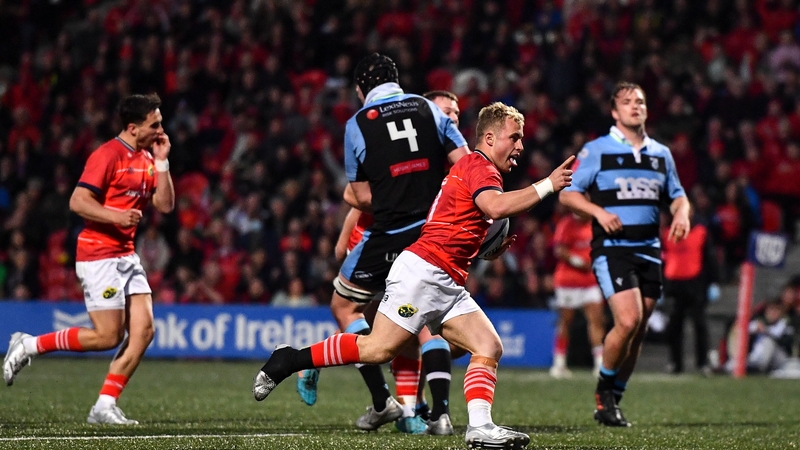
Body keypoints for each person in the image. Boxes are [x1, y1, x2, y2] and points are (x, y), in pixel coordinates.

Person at [253, 102, 574, 449]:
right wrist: (548, 184)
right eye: (515, 137)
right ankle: (290, 359)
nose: (520, 146)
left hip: (445, 278)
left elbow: (463, 224)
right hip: (424, 274)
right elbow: (494, 207)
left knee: (488, 345)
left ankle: (480, 427)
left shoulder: (473, 168)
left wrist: (486, 250)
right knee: (376, 349)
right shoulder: (480, 166)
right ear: (490, 138)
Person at [297, 54, 470, 435]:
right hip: (404, 235)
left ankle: (399, 405)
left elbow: (357, 192)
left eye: (457, 114)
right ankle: (416, 409)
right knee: (413, 327)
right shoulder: (426, 118)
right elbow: (355, 199)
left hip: (395, 234)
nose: (453, 117)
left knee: (403, 327)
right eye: (449, 112)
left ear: (361, 89)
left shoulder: (363, 124)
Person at [2, 93, 175, 424]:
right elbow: (78, 201)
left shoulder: (148, 158)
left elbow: (165, 205)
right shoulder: (107, 155)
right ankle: (29, 345)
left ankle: (104, 406)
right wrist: (116, 216)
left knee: (144, 331)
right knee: (108, 336)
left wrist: (163, 162)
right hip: (98, 255)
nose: (161, 130)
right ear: (133, 128)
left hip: (126, 255)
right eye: (155, 125)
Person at [560, 81, 690, 427]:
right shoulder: (596, 150)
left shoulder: (661, 153)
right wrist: (598, 213)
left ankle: (612, 400)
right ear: (614, 112)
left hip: (650, 250)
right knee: (628, 320)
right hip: (613, 249)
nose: (636, 106)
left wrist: (681, 213)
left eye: (641, 101)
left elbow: (678, 195)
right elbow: (568, 194)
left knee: (639, 329)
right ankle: (604, 391)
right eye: (628, 101)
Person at [662, 210, 719, 375]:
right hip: (674, 285)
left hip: (695, 284)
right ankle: (675, 363)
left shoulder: (701, 232)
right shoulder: (666, 233)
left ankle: (702, 363)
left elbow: (709, 258)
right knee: (674, 326)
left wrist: (713, 281)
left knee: (699, 324)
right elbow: (662, 259)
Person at [549, 210, 605, 379]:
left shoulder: (596, 224)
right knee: (566, 321)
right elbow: (559, 250)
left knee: (596, 321)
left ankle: (600, 365)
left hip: (590, 281)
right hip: (568, 281)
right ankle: (559, 364)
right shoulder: (567, 224)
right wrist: (579, 262)